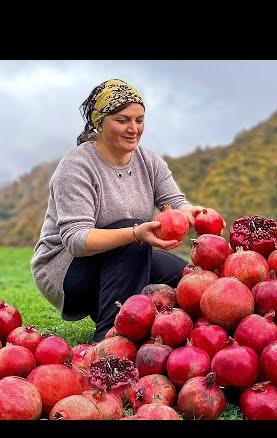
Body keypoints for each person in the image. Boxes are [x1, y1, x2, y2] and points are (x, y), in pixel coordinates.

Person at [31, 79, 214, 342]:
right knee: (128, 233)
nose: (133, 129)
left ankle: (181, 336)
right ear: (100, 122)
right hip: (67, 273)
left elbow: (173, 201)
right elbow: (76, 240)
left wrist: (191, 211)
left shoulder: (149, 161)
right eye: (122, 120)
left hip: (126, 257)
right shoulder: (76, 167)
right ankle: (109, 339)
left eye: (139, 120)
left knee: (186, 278)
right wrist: (135, 233)